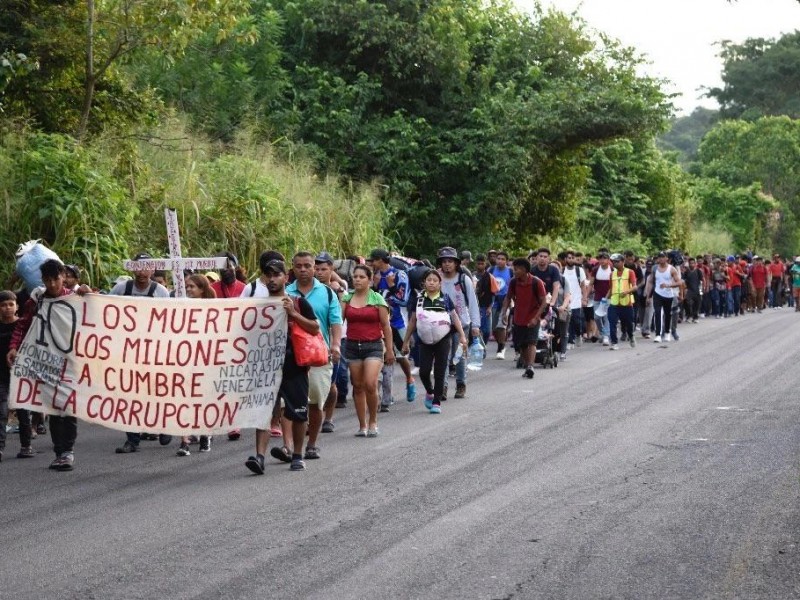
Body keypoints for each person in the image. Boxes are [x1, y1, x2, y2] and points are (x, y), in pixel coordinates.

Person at [7, 260, 85, 471]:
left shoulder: (76, 298)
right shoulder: (38, 299)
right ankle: (59, 452)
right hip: (46, 362)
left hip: (71, 363)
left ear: (63, 276)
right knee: (53, 407)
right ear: (43, 280)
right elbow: (23, 324)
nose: (52, 284)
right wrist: (14, 346)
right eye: (47, 280)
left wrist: (89, 293)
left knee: (68, 407)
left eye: (56, 279)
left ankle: (68, 452)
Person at [246, 260, 319, 473]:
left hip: (294, 365)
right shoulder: (258, 306)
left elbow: (314, 328)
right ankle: (259, 457)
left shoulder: (297, 302)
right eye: (268, 275)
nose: (272, 279)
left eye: (276, 275)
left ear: (286, 278)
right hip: (267, 366)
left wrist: (293, 315)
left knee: (298, 412)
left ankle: (297, 454)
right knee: (265, 412)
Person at [112, 252, 172, 454]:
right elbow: (104, 309)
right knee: (130, 394)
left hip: (154, 351)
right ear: (131, 268)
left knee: (157, 391)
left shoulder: (160, 291)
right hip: (128, 351)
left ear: (153, 270)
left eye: (146, 267)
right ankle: (132, 439)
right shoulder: (122, 289)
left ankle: (164, 424)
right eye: (138, 267)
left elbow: (171, 321)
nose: (142, 271)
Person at [285, 251, 342, 461]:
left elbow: (335, 322)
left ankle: (311, 444)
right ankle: (288, 446)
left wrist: (336, 345)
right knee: (288, 403)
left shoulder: (327, 293)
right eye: (298, 266)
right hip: (291, 357)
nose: (303, 270)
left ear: (313, 267)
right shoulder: (285, 292)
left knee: (315, 401)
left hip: (319, 355)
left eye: (307, 266)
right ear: (293, 268)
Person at [402, 269, 467, 415]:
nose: (431, 282)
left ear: (439, 284)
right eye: (429, 280)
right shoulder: (418, 300)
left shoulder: (445, 299)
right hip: (424, 341)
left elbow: (455, 317)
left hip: (443, 339)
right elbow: (412, 321)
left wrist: (462, 336)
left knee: (439, 370)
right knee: (424, 371)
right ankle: (430, 392)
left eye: (435, 280)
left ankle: (436, 401)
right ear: (424, 283)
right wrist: (406, 341)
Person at [340, 265, 394, 434]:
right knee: (357, 386)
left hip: (374, 346)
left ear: (370, 280)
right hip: (352, 346)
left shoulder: (377, 299)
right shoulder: (346, 299)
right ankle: (362, 425)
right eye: (355, 276)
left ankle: (373, 422)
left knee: (370, 383)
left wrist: (390, 350)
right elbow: (338, 322)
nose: (357, 279)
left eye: (362, 277)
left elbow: (386, 326)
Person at [367, 249, 415, 409]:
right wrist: (374, 286)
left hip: (397, 322)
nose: (371, 264)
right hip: (378, 324)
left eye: (373, 260)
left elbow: (403, 300)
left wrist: (391, 286)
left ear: (381, 260)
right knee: (384, 359)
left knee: (401, 357)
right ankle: (385, 398)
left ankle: (409, 378)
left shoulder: (399, 275)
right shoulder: (374, 276)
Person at [175, 275, 215, 456]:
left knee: (204, 398)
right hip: (185, 358)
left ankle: (205, 434)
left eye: (192, 286)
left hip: (206, 359)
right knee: (183, 398)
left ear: (202, 288)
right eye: (187, 286)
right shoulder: (182, 306)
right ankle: (184, 441)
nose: (189, 289)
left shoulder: (214, 308)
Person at [436, 247, 480, 398]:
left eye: (450, 261)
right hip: (442, 323)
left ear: (456, 263)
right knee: (443, 356)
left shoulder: (463, 279)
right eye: (444, 261)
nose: (447, 264)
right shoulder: (437, 279)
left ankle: (461, 384)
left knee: (459, 356)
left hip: (462, 323)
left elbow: (473, 302)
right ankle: (443, 387)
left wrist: (475, 325)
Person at [313, 251, 348, 434]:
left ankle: (329, 417)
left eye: (323, 269)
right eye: (316, 268)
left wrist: (335, 344)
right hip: (310, 344)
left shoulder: (338, 290)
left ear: (331, 270)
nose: (319, 272)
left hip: (332, 342)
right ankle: (313, 418)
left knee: (332, 384)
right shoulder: (307, 290)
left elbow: (338, 319)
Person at [500, 258, 547, 380]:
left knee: (532, 342)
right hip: (518, 317)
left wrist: (536, 318)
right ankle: (527, 365)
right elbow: (508, 297)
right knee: (521, 344)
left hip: (532, 317)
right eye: (514, 269)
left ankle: (531, 366)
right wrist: (504, 312)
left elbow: (544, 302)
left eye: (517, 269)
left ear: (525, 270)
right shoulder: (514, 282)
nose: (514, 271)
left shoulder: (537, 282)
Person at [0, 290, 20, 462]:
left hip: (20, 375)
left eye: (10, 304)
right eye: (3, 305)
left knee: (23, 411)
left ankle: (26, 445)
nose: (7, 308)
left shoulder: (22, 326)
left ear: (16, 306)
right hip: (2, 375)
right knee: (2, 411)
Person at [645, 251, 681, 343]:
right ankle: (657, 335)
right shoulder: (655, 268)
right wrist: (648, 296)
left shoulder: (672, 269)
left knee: (667, 314)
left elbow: (679, 282)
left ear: (667, 258)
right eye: (659, 257)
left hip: (668, 294)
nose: (661, 259)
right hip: (657, 293)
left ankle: (667, 333)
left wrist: (668, 285)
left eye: (663, 257)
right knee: (657, 313)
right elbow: (651, 281)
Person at [607, 254, 637, 351]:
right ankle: (614, 342)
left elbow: (635, 286)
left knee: (629, 323)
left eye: (617, 261)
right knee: (612, 323)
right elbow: (611, 289)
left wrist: (627, 292)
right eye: (614, 262)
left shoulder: (630, 272)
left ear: (623, 262)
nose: (615, 264)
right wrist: (605, 299)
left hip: (627, 303)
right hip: (614, 303)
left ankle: (631, 336)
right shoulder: (612, 274)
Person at [489, 251, 512, 359]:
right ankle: (501, 343)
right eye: (498, 259)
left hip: (505, 301)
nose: (500, 261)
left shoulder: (510, 271)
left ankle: (501, 348)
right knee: (493, 327)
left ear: (506, 261)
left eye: (503, 259)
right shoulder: (491, 270)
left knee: (501, 325)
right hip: (494, 300)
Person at [588, 252, 612, 346]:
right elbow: (591, 284)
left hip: (609, 297)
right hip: (597, 297)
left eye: (604, 258)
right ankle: (602, 333)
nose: (602, 260)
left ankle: (606, 336)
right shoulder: (595, 269)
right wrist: (586, 296)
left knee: (606, 317)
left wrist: (606, 297)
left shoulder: (612, 270)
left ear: (608, 260)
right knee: (596, 317)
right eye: (600, 259)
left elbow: (612, 286)